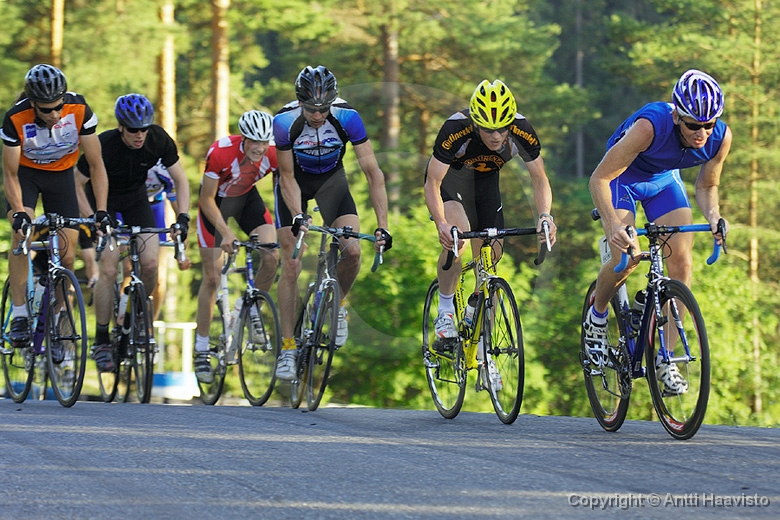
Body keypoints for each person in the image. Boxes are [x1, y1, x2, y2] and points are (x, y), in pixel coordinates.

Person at [583, 69, 731, 395]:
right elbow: (599, 179)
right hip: (620, 178)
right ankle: (597, 316)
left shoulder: (720, 138)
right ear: (677, 116)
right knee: (627, 257)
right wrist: (613, 224)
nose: (702, 133)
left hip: (663, 181)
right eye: (693, 125)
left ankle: (666, 358)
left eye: (709, 124)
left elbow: (708, 185)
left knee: (682, 263)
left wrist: (714, 216)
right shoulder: (649, 126)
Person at [423, 79, 557, 388]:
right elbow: (432, 181)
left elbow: (539, 179)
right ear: (475, 123)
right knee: (458, 237)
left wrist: (545, 217)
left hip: (485, 188)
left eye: (502, 129)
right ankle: (445, 310)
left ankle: (484, 351)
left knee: (490, 262)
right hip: (451, 185)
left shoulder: (522, 130)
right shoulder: (455, 129)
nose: (496, 136)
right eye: (487, 129)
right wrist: (441, 222)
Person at [272, 65, 392, 381]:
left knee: (352, 251)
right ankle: (287, 348)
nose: (317, 115)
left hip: (331, 182)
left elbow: (373, 173)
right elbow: (286, 176)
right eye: (311, 109)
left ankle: (337, 304)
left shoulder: (348, 117)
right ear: (300, 102)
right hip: (294, 183)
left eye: (323, 109)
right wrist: (297, 214)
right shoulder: (284, 121)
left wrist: (383, 225)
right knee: (292, 261)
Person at [75, 93, 191, 372]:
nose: (139, 135)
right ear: (120, 127)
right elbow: (76, 183)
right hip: (104, 201)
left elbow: (180, 179)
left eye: (144, 129)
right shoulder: (104, 144)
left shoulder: (157, 139)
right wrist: (92, 218)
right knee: (108, 268)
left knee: (150, 264)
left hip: (136, 199)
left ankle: (136, 313)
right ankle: (102, 339)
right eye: (133, 130)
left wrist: (183, 216)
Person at [1, 64, 110, 347]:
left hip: (61, 176)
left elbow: (96, 165)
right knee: (22, 236)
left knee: (67, 256)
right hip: (26, 176)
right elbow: (9, 175)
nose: (55, 115)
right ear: (33, 104)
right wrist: (20, 213)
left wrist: (100, 210)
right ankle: (20, 314)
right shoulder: (15, 117)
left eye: (59, 107)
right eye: (47, 110)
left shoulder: (79, 109)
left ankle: (60, 317)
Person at [192, 110, 280, 384]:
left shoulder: (274, 153)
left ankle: (250, 306)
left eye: (264, 141)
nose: (259, 148)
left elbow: (286, 185)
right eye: (254, 141)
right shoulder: (220, 152)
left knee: (272, 253)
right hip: (215, 204)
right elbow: (206, 199)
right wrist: (226, 232)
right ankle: (201, 349)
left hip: (245, 199)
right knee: (212, 278)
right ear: (244, 138)